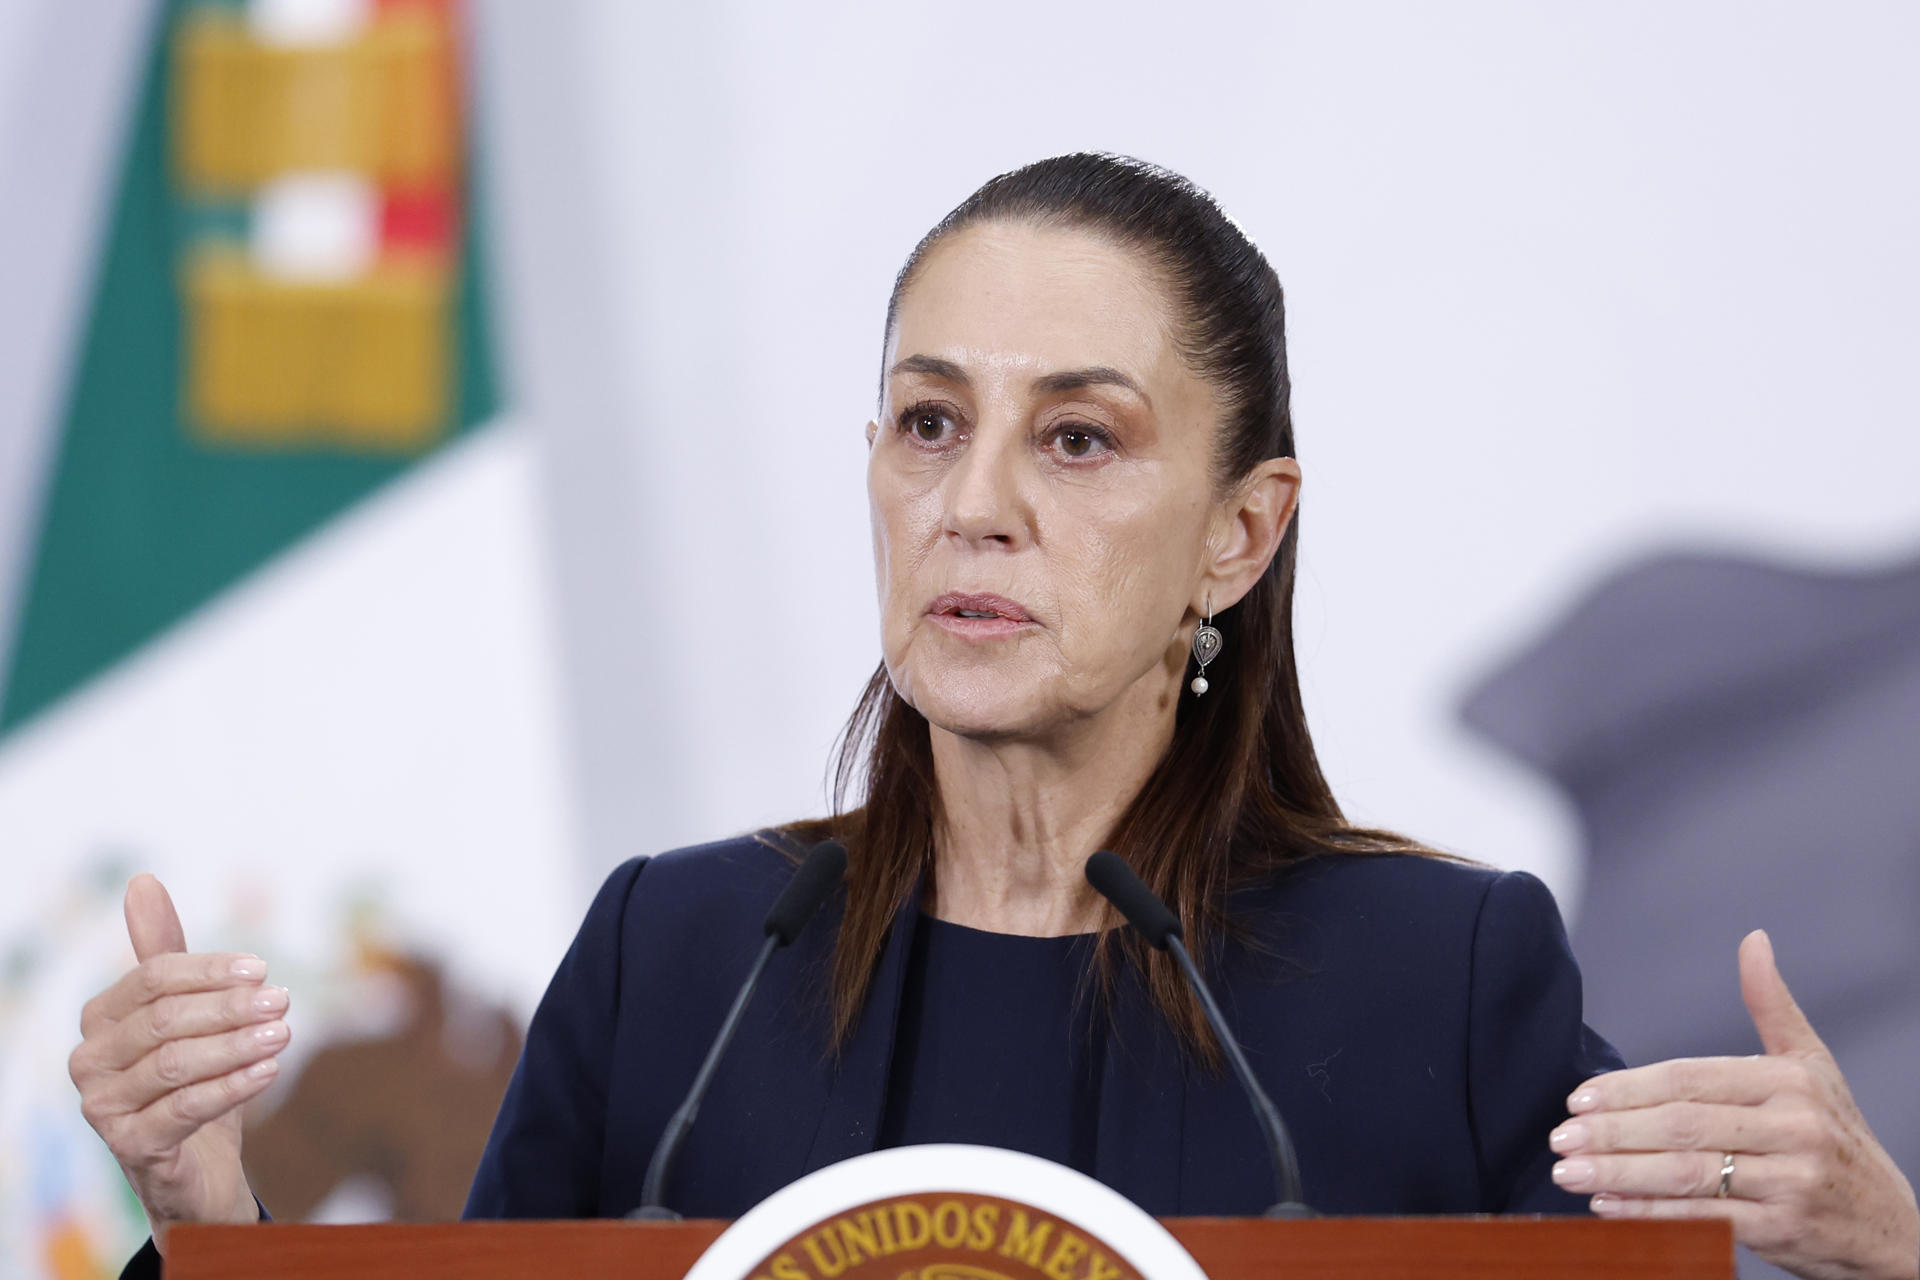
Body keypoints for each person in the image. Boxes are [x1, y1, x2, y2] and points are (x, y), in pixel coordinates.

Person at [71, 154, 1918, 1279]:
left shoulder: (1439, 977)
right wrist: (207, 1213)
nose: (975, 503)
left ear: (1239, 532)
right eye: (930, 422)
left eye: (1081, 438)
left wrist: (1881, 1249)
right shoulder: (680, 962)